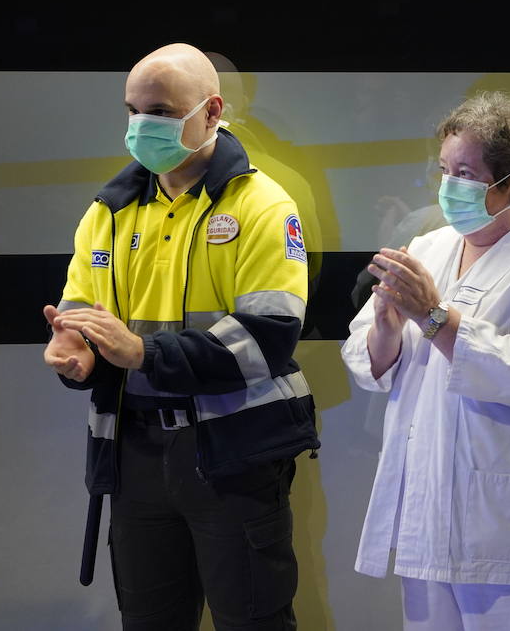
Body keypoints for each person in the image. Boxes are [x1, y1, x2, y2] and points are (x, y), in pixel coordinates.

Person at [42, 43, 319, 630]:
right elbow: (80, 311)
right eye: (132, 109)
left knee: (253, 619)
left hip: (233, 454)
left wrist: (141, 352)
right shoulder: (107, 213)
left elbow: (269, 338)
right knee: (150, 621)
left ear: (213, 112)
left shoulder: (263, 205)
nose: (143, 126)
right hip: (135, 454)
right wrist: (75, 353)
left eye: (162, 111)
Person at [340, 92, 510, 631]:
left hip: (507, 519)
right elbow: (367, 357)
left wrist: (432, 314)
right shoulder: (430, 246)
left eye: (465, 172)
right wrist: (389, 329)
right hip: (429, 506)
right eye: (444, 169)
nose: (449, 185)